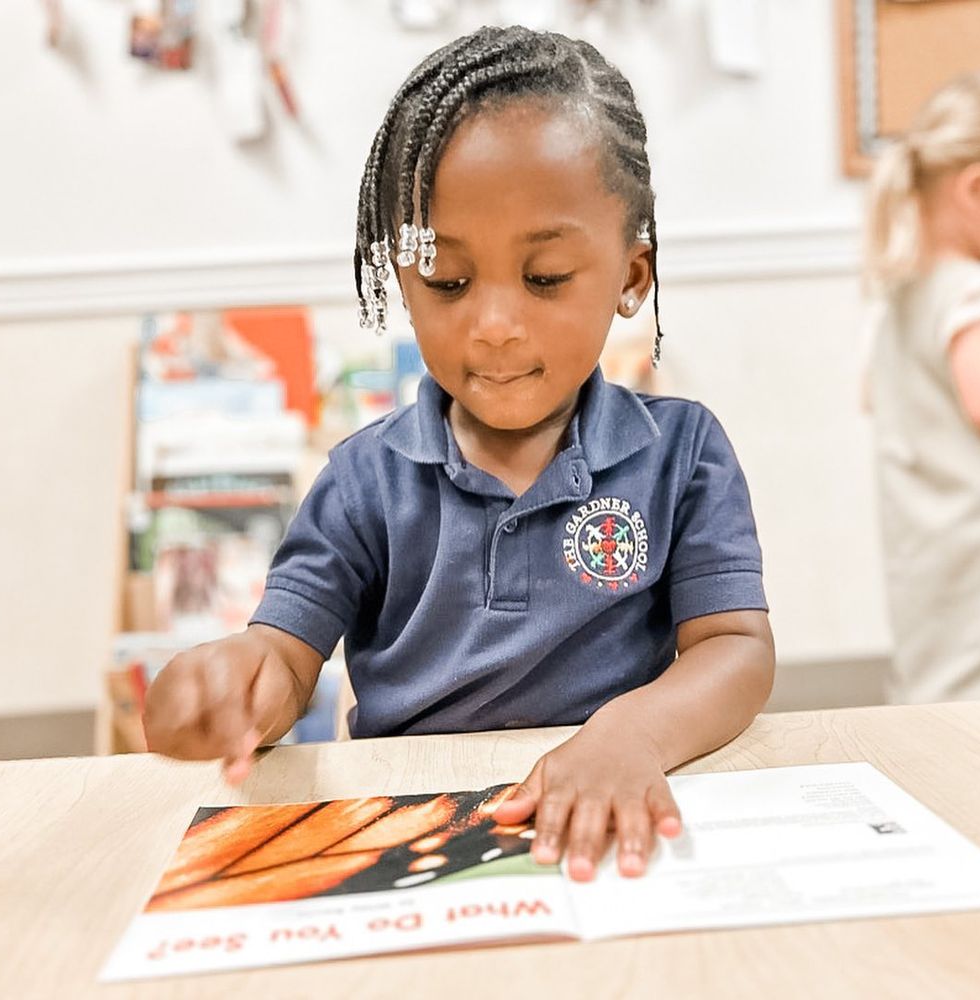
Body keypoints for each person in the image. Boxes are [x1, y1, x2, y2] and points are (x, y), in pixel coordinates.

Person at [144, 25, 775, 882]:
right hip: (409, 837)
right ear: (402, 277)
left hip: (615, 814)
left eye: (546, 277)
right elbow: (286, 659)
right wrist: (233, 682)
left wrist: (631, 738)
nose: (494, 323)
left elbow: (736, 649)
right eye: (446, 281)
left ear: (632, 276)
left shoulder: (683, 453)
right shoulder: (365, 479)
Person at [864, 70, 980, 704]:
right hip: (977, 552)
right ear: (977, 188)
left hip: (927, 549)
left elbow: (873, 395)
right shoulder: (970, 293)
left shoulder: (903, 297)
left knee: (940, 683)